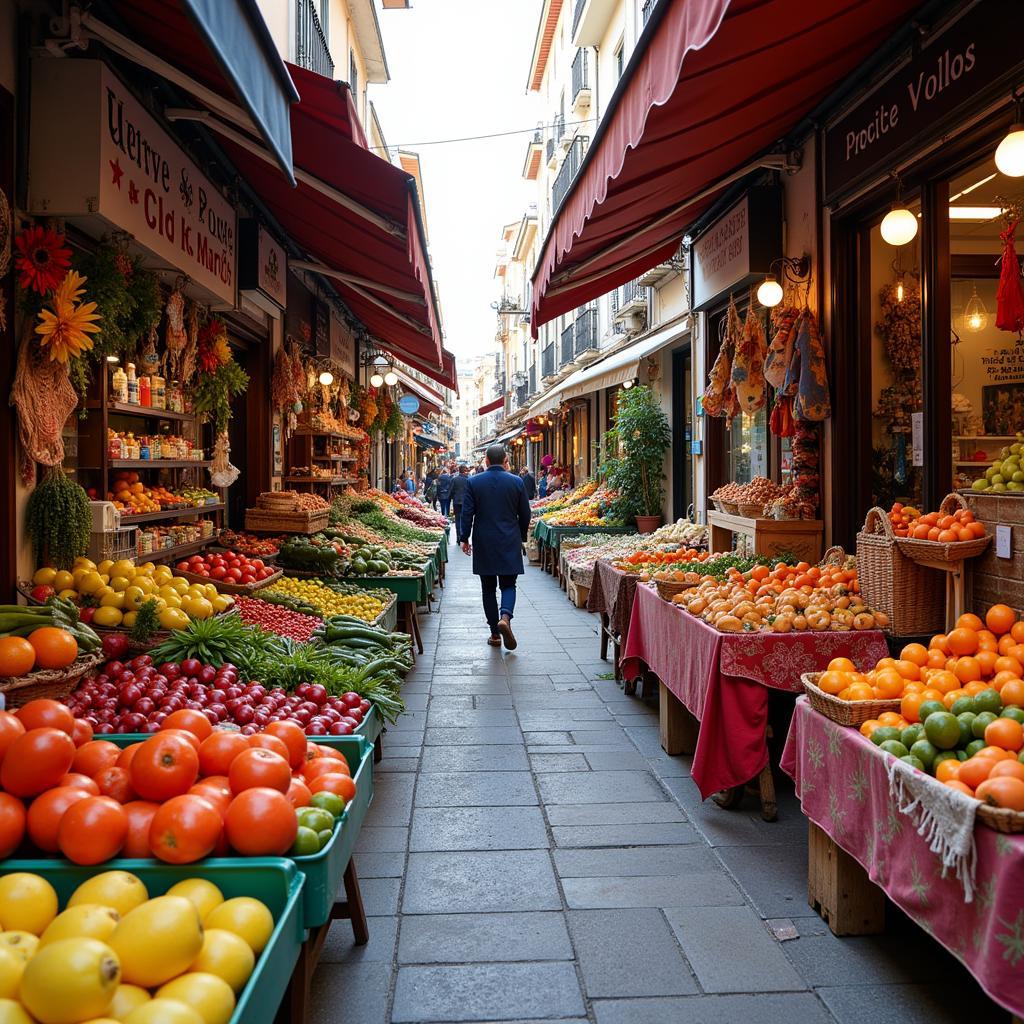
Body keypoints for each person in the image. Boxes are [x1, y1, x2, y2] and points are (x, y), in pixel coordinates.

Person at [460, 444, 531, 650]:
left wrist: (464, 537)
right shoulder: (517, 482)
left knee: (488, 588)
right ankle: (505, 617)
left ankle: (495, 633)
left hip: (484, 540)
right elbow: (525, 514)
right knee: (508, 584)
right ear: (505, 459)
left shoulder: (474, 482)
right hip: (509, 538)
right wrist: (521, 535)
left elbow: (467, 513)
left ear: (487, 461)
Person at [449, 465, 469, 537]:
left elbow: (450, 491)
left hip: (457, 502)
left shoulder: (454, 479)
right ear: (465, 471)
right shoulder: (469, 479)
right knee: (466, 519)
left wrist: (452, 498)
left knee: (458, 519)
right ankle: (464, 535)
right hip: (466, 502)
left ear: (459, 470)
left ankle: (458, 536)